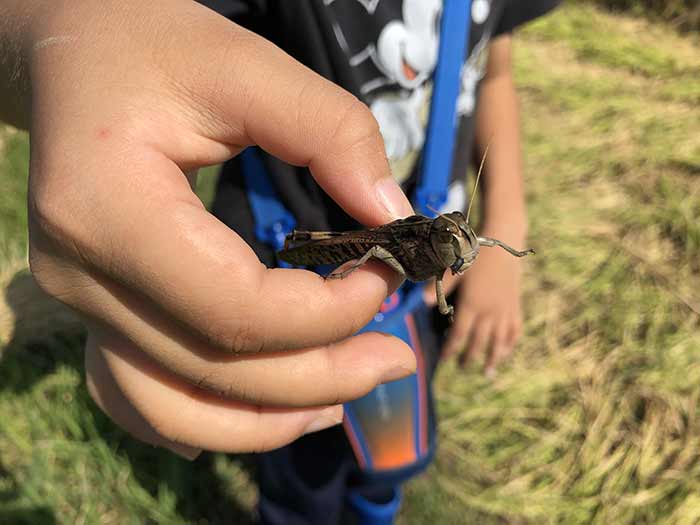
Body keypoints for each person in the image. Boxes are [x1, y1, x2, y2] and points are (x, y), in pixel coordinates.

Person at [0, 0, 558, 522]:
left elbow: (495, 67)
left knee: (389, 439)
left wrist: (506, 230)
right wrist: (51, 30)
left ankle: (374, 501)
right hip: (285, 261)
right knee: (305, 455)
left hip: (412, 300)